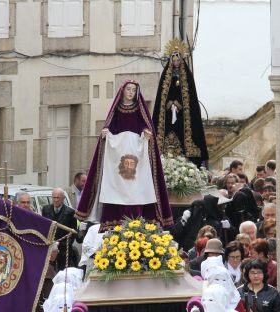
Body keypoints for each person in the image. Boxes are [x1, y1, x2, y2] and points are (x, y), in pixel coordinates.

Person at [76, 80, 173, 230]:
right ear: (122, 91)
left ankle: (142, 216)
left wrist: (146, 133)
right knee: (116, 181)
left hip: (137, 153)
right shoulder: (116, 110)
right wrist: (105, 134)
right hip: (118, 153)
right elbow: (110, 127)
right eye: (128, 89)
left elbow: (146, 127)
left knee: (138, 183)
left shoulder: (140, 110)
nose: (131, 93)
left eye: (134, 90)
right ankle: (113, 217)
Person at [152, 39, 209, 168]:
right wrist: (170, 104)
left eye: (178, 60)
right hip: (167, 117)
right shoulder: (165, 77)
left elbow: (191, 99)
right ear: (171, 61)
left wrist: (179, 105)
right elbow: (161, 99)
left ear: (181, 61)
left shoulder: (187, 77)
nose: (176, 63)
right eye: (174, 60)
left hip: (184, 117)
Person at [41, 188, 78, 270]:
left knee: (63, 271)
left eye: (58, 198)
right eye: (54, 198)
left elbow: (73, 232)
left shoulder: (70, 212)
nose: (56, 200)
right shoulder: (46, 210)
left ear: (63, 199)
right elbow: (43, 228)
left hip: (64, 248)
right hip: (49, 247)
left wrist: (64, 245)